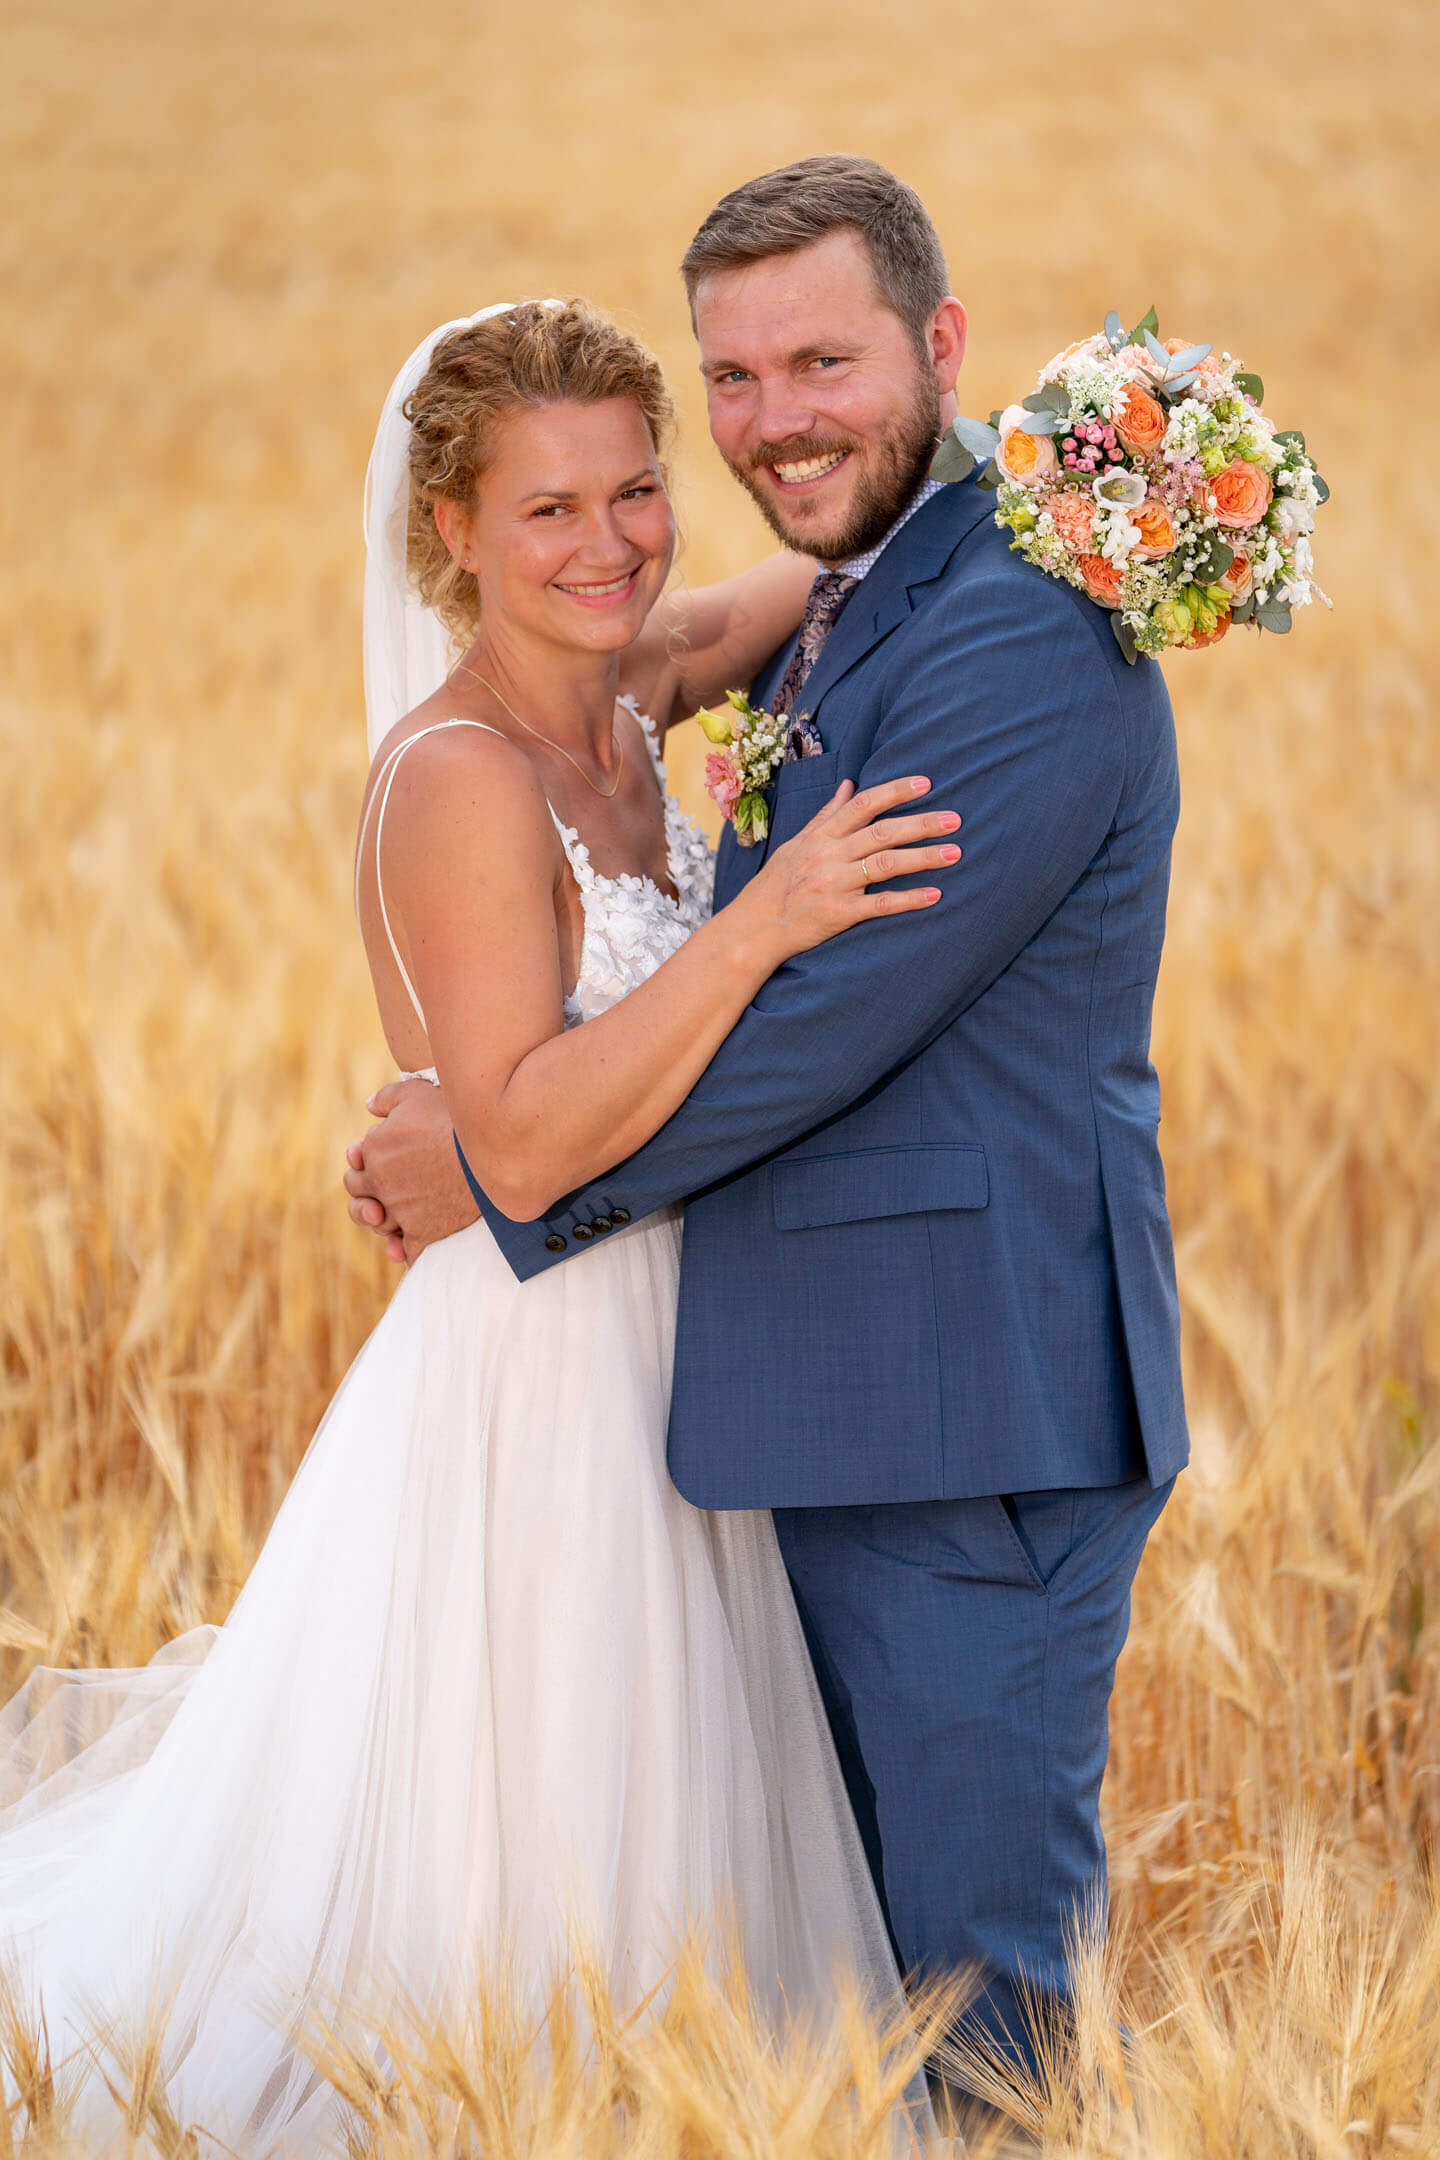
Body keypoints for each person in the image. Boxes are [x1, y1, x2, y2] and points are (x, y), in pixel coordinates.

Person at [0, 297, 957, 2149]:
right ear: (449, 533)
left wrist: (1056, 473)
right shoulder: (457, 778)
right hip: (547, 1375)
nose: (608, 545)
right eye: (546, 513)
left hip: (682, 1336)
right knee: (547, 1839)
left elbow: (816, 584)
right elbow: (515, 1148)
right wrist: (766, 923)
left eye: (637, 491)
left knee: (682, 1830)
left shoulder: (626, 684)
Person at [345, 156, 1190, 2093]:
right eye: (732, 380)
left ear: (943, 348)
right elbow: (790, 587)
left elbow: (820, 1026)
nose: (768, 424)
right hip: (719, 1411)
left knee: (971, 2023)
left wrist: (493, 1172)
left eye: (821, 361)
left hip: (968, 1426)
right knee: (689, 1952)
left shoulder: (1004, 631)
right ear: (454, 532)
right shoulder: (837, 597)